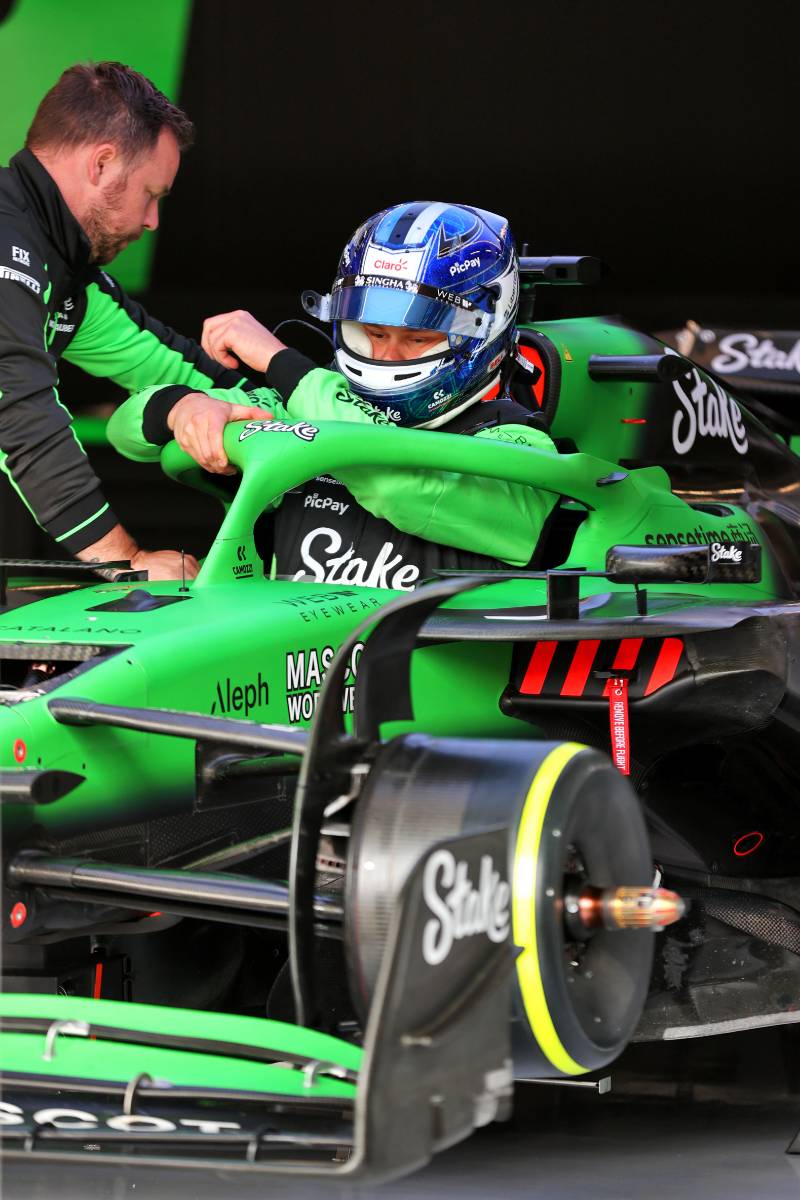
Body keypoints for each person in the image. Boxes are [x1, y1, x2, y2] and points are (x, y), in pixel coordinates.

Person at [108, 202, 559, 587]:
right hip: (282, 657)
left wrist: (279, 361)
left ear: (484, 332)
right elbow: (126, 431)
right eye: (373, 333)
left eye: (418, 338)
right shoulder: (303, 408)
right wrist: (183, 407)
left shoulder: (521, 449)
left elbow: (394, 484)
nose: (387, 355)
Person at [0, 61, 269, 580]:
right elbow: (17, 411)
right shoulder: (8, 245)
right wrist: (127, 562)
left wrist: (300, 415)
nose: (152, 221)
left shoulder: (65, 273)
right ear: (102, 164)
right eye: (151, 195)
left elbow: (170, 364)